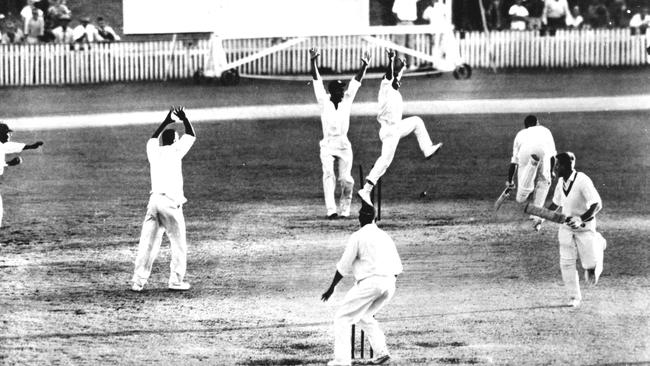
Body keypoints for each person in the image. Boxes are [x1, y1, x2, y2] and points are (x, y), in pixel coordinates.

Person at [321, 201, 403, 366]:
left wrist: (331, 288)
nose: (358, 217)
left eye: (360, 214)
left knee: (342, 318)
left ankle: (342, 361)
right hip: (389, 283)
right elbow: (398, 268)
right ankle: (381, 353)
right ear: (374, 218)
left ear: (361, 218)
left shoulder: (357, 236)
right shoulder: (385, 236)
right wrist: (385, 285)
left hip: (370, 283)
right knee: (364, 315)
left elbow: (343, 266)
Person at [357, 49, 443, 207]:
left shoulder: (394, 90)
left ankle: (427, 149)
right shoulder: (385, 88)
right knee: (385, 161)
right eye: (395, 79)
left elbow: (396, 77)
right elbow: (390, 76)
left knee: (417, 121)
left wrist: (402, 67)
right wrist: (391, 59)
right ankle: (366, 190)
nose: (399, 81)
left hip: (396, 127)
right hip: (389, 131)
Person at [131, 107, 196, 292]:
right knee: (178, 244)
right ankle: (176, 281)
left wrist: (167, 120)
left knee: (147, 244)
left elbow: (152, 138)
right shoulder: (176, 150)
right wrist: (184, 118)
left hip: (154, 202)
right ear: (175, 141)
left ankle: (138, 281)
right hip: (170, 203)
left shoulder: (153, 151)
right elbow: (191, 134)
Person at [309, 47, 370, 219]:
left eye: (343, 90)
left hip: (343, 144)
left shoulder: (347, 99)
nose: (342, 93)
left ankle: (344, 210)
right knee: (328, 175)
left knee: (346, 179)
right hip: (328, 144)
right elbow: (316, 80)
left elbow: (356, 82)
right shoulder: (323, 100)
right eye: (339, 91)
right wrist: (313, 61)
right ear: (332, 93)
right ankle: (331, 211)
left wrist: (364, 66)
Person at [545, 152, 606, 308]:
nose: (555, 168)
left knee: (590, 264)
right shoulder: (560, 182)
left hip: (585, 228)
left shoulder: (582, 180)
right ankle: (574, 297)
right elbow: (555, 203)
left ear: (565, 166)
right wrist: (541, 217)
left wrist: (580, 219)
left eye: (557, 165)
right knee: (566, 262)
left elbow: (596, 204)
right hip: (566, 229)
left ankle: (599, 243)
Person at [506, 115, 556, 231]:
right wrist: (551, 171)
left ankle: (532, 166)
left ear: (526, 126)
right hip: (543, 153)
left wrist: (510, 181)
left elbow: (514, 162)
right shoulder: (546, 130)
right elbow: (553, 156)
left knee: (521, 197)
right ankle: (536, 216)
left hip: (525, 153)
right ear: (537, 122)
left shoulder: (520, 134)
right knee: (544, 183)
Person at [0, 122, 44, 228]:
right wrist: (10, 163)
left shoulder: (2, 145)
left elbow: (12, 146)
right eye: (7, 133)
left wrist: (31, 146)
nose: (9, 135)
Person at [391, 0, 418, 68]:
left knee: (411, 44)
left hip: (410, 22)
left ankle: (411, 64)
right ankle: (401, 65)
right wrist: (399, 20)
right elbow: (394, 12)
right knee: (400, 46)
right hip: (401, 23)